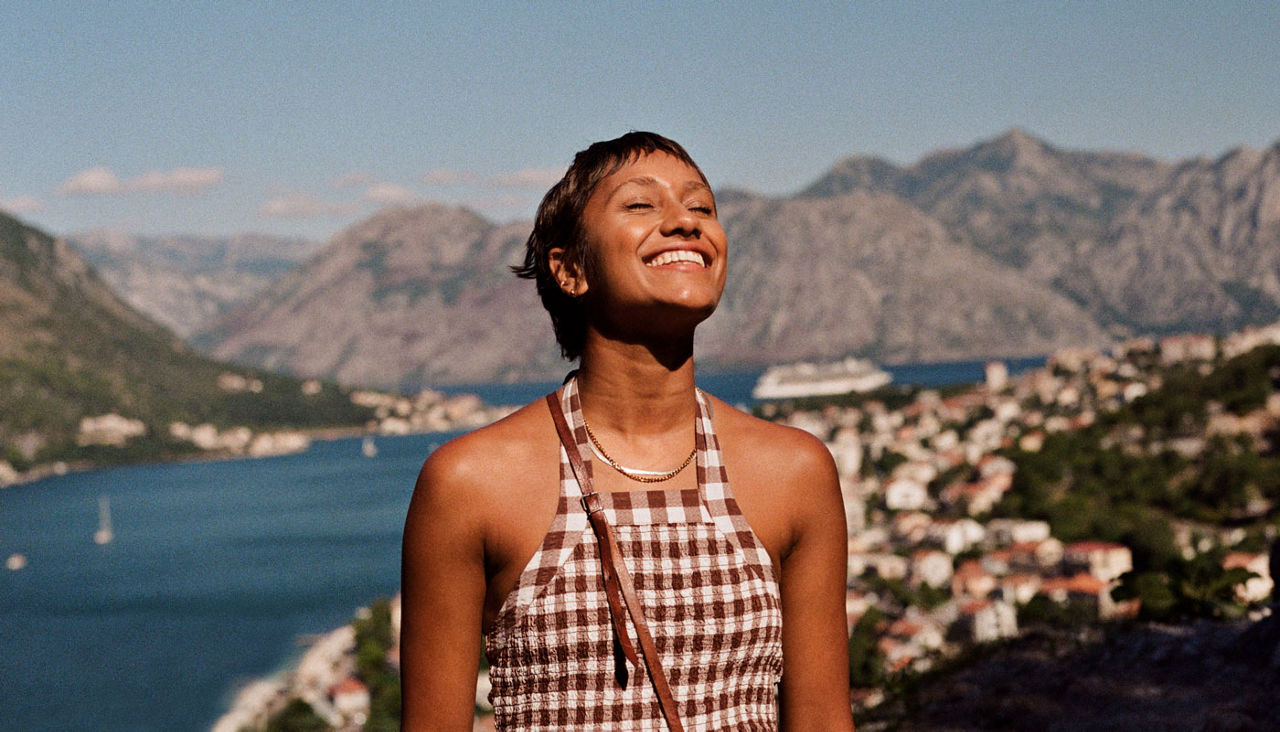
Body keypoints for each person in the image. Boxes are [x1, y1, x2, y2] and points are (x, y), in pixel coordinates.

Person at [402, 132, 854, 730]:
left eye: (701, 208)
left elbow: (823, 720)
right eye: (642, 205)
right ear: (570, 269)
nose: (686, 223)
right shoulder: (472, 482)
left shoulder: (795, 471)